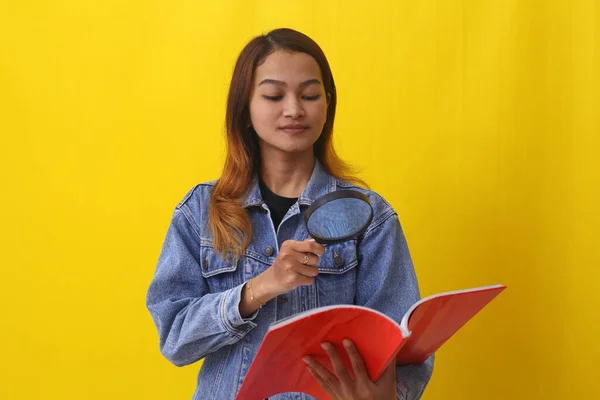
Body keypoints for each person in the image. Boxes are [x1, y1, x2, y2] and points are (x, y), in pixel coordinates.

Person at [146, 27, 434, 400]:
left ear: (327, 104)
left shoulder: (370, 217)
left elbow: (405, 348)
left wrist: (389, 395)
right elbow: (174, 338)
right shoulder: (200, 212)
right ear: (245, 108)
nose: (294, 109)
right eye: (273, 95)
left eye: (310, 94)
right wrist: (259, 288)